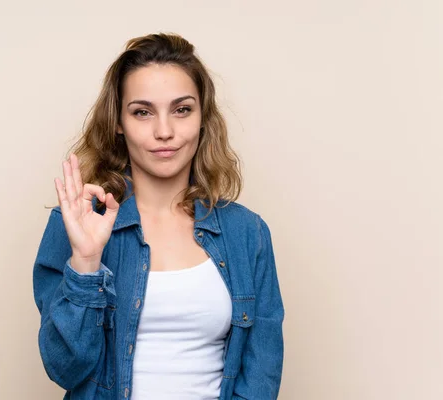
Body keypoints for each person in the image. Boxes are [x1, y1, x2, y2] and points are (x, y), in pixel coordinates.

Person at [33, 33, 284, 400]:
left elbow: (261, 376)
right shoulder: (77, 222)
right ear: (118, 121)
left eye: (182, 109)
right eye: (142, 111)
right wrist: (86, 262)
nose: (164, 131)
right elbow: (65, 368)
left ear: (203, 118)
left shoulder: (248, 234)